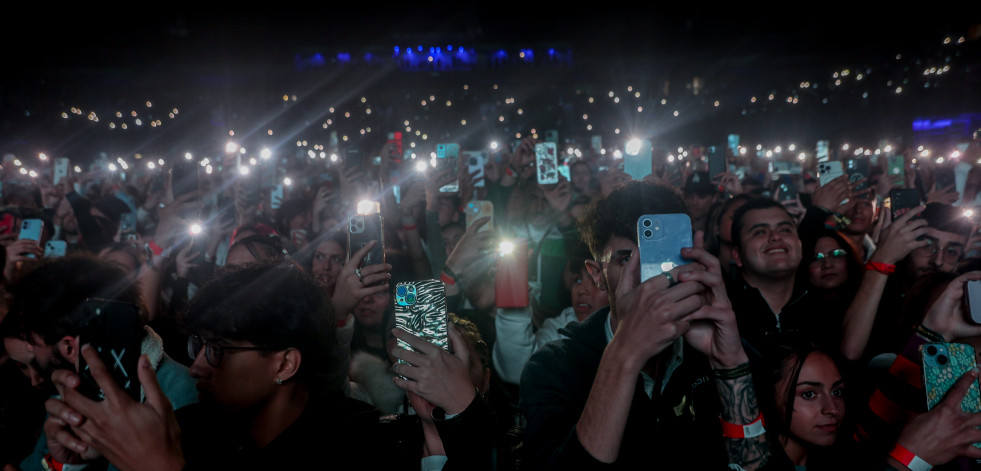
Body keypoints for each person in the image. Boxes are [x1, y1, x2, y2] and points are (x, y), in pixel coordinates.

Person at [42, 260, 390, 470]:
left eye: (218, 350)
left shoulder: (357, 444)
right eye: (199, 344)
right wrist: (71, 465)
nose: (196, 367)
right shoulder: (186, 430)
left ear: (284, 364)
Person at [520, 180, 769, 469]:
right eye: (626, 259)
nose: (648, 279)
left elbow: (755, 467)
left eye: (660, 260)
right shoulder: (554, 366)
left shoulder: (728, 353)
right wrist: (625, 353)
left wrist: (729, 365)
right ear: (597, 274)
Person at [0, 254, 197, 471]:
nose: (32, 350)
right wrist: (63, 465)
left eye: (32, 338)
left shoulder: (182, 399)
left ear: (69, 348)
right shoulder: (74, 386)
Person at [493, 259, 609, 384]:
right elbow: (519, 370)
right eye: (578, 280)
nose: (581, 290)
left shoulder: (628, 330)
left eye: (594, 282)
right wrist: (513, 315)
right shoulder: (559, 329)